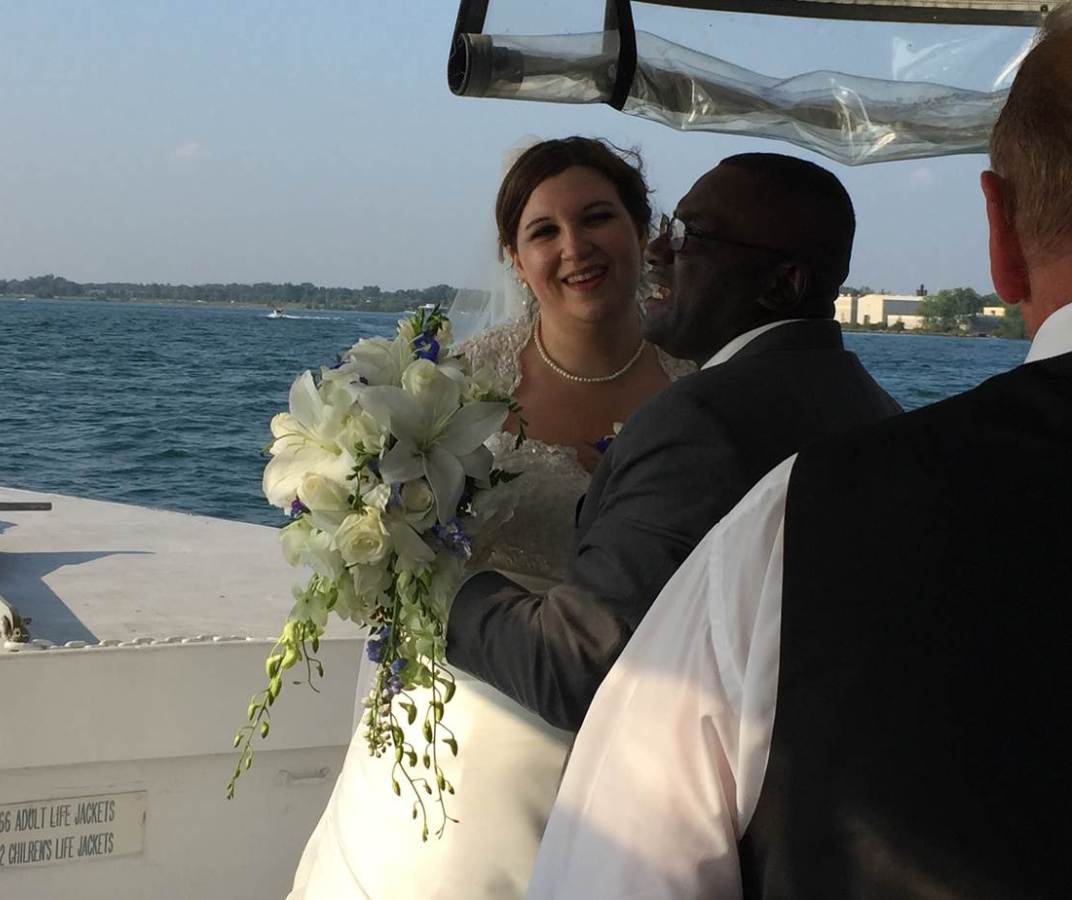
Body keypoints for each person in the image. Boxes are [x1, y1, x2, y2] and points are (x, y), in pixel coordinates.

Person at [528, 7, 1072, 898]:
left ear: (1000, 237)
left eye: (689, 237)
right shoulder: (854, 427)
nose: (663, 252)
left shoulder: (794, 521)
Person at [288, 137, 694, 899]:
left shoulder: (696, 398)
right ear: (515, 257)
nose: (575, 247)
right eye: (544, 232)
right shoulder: (460, 381)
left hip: (631, 714)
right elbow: (399, 538)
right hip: (462, 698)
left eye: (598, 218)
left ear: (641, 232)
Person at [446, 152, 902, 732]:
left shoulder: (697, 414)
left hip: (625, 733)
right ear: (515, 259)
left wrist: (441, 594)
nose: (666, 251)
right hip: (497, 709)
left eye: (691, 237)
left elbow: (578, 665)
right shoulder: (878, 412)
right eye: (543, 231)